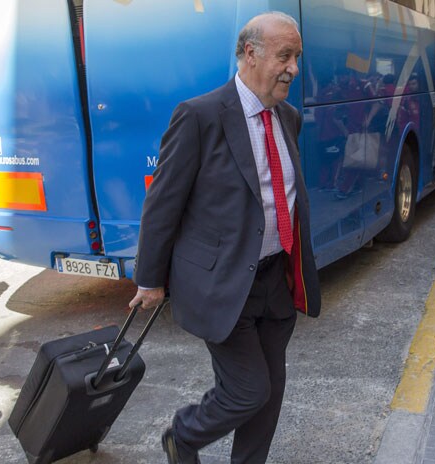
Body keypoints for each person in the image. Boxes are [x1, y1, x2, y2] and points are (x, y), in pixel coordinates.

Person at [128, 12, 321, 464]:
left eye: (296, 57)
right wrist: (150, 279)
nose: (293, 68)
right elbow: (163, 204)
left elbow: (284, 197)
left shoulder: (287, 117)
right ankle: (184, 434)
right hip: (223, 284)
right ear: (250, 54)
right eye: (285, 56)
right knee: (248, 390)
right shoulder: (200, 116)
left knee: (270, 394)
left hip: (276, 281)